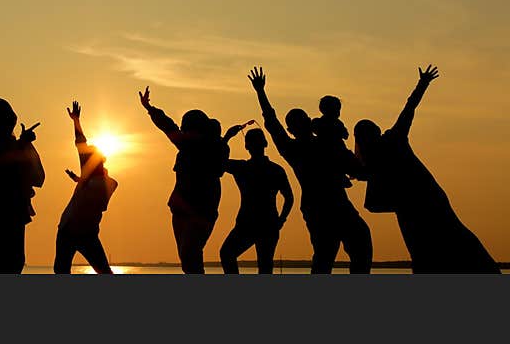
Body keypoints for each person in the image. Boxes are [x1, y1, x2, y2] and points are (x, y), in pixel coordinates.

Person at [354, 65, 499, 273]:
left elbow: (408, 110)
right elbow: (408, 109)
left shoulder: (393, 139)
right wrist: (422, 84)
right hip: (414, 207)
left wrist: (422, 84)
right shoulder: (378, 157)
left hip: (427, 201)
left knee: (448, 239)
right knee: (426, 250)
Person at [247, 67, 372, 273]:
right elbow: (271, 122)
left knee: (359, 243)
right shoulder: (292, 148)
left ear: (308, 122)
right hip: (318, 208)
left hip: (337, 204)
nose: (302, 124)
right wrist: (260, 92)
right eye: (296, 123)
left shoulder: (326, 141)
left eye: (303, 119)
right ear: (291, 129)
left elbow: (349, 163)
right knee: (326, 254)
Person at [138, 86, 242, 273]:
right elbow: (168, 126)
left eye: (186, 129)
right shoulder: (199, 145)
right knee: (188, 258)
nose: (182, 133)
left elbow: (168, 126)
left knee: (190, 254)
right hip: (182, 209)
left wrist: (150, 109)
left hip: (202, 210)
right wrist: (149, 108)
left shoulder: (205, 146)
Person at [0, 98, 45, 273]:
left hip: (11, 210)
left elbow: (38, 177)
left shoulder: (12, 145)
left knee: (13, 262)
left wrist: (25, 144)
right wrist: (23, 144)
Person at [54, 101, 118, 274]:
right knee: (103, 271)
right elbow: (90, 185)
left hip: (75, 231)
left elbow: (80, 142)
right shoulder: (104, 182)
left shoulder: (103, 182)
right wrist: (77, 178)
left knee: (62, 271)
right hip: (78, 231)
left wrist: (76, 121)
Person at [220, 128, 294, 274]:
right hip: (262, 223)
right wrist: (281, 220)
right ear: (265, 144)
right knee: (264, 266)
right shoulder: (273, 169)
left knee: (229, 254)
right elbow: (289, 198)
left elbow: (216, 160)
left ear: (246, 146)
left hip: (256, 223)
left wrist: (227, 137)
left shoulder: (243, 168)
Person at [312, 95, 352, 188]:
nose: (338, 112)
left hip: (335, 149)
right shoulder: (322, 122)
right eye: (336, 110)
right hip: (330, 149)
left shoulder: (333, 123)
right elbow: (345, 135)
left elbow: (345, 135)